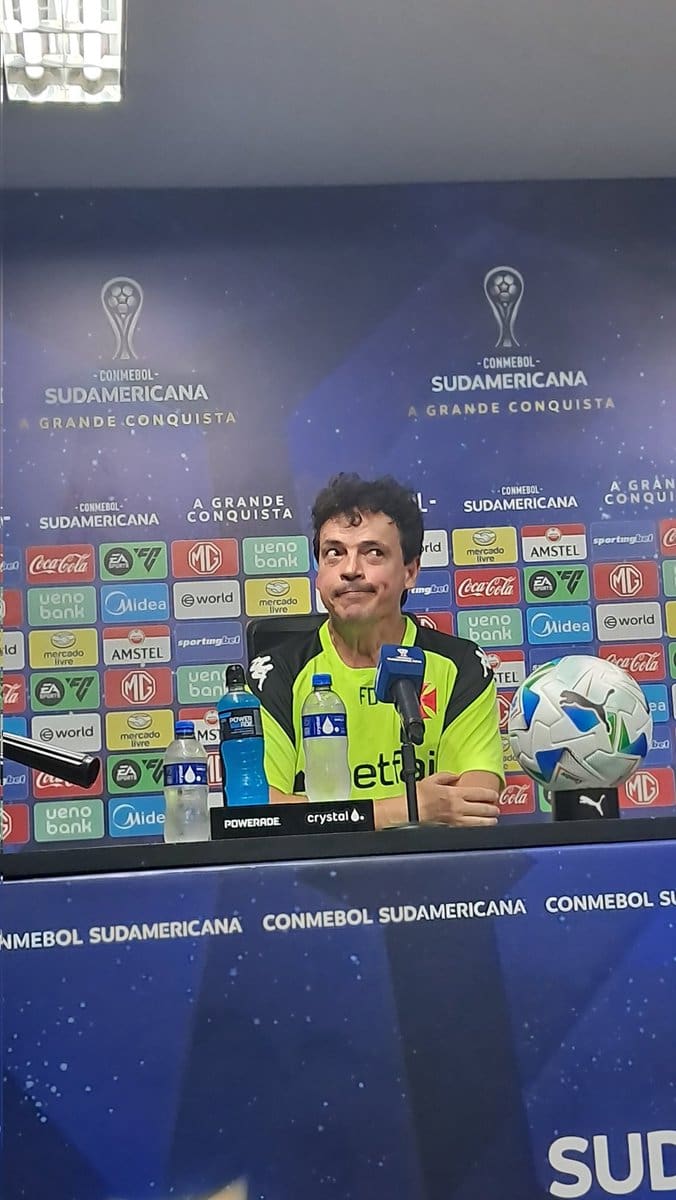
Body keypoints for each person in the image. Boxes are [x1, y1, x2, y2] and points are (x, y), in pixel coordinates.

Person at [247, 473, 503, 828]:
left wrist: (329, 818)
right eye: (334, 553)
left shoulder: (460, 667)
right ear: (318, 573)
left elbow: (474, 806)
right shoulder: (276, 674)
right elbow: (259, 814)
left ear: (410, 571)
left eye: (373, 553)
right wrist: (407, 809)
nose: (351, 570)